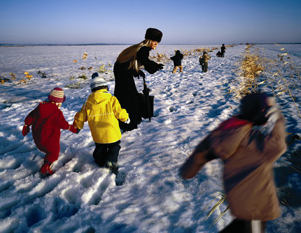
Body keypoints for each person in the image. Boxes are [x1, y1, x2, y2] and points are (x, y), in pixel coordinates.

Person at [180, 92, 286, 233]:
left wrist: (188, 172)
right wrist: (278, 119)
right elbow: (279, 146)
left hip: (238, 202)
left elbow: (196, 159)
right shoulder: (256, 143)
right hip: (255, 208)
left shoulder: (221, 133)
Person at [74, 73, 129, 174]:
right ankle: (111, 161)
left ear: (92, 90)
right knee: (114, 147)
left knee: (100, 148)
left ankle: (100, 161)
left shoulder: (88, 103)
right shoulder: (112, 99)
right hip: (112, 132)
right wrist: (125, 118)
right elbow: (119, 112)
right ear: (106, 87)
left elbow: (81, 116)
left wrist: (77, 126)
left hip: (98, 134)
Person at [113, 28, 164, 131]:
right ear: (151, 41)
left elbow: (130, 62)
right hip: (123, 72)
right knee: (129, 97)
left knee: (125, 95)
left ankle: (127, 118)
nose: (156, 46)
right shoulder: (144, 49)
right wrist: (156, 66)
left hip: (120, 70)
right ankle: (129, 123)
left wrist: (136, 71)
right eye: (155, 43)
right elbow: (145, 61)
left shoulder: (136, 48)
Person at [22, 87, 78, 176]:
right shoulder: (56, 113)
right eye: (60, 102)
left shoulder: (39, 107)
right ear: (58, 102)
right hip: (49, 138)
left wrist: (26, 125)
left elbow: (30, 116)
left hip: (37, 138)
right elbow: (63, 124)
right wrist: (73, 129)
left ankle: (47, 161)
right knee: (54, 152)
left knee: (48, 150)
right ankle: (45, 167)